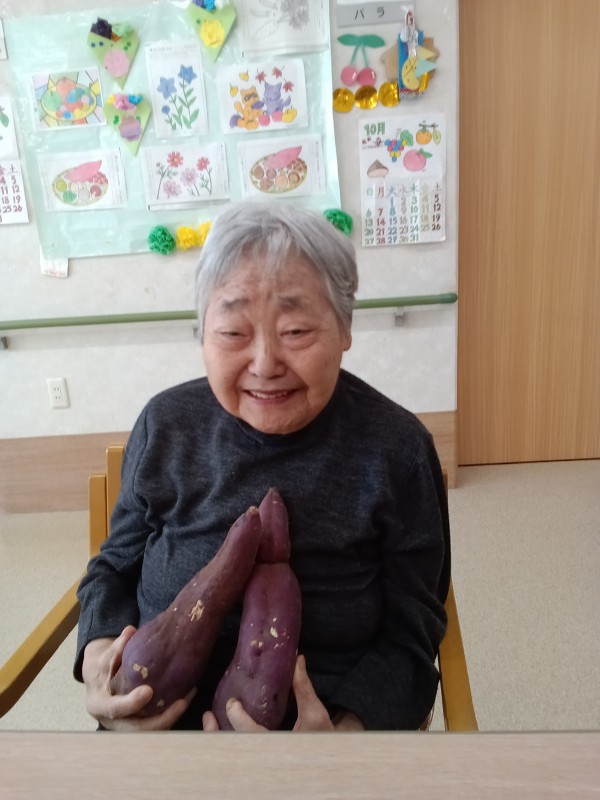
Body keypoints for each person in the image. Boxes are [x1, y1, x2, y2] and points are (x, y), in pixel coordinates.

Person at [74, 200, 450, 732]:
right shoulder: (165, 425)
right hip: (149, 730)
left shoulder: (397, 449)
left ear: (345, 328)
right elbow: (114, 567)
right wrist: (100, 662)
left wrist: (349, 733)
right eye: (233, 333)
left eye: (295, 331)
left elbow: (415, 625)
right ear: (202, 333)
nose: (266, 363)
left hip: (326, 735)